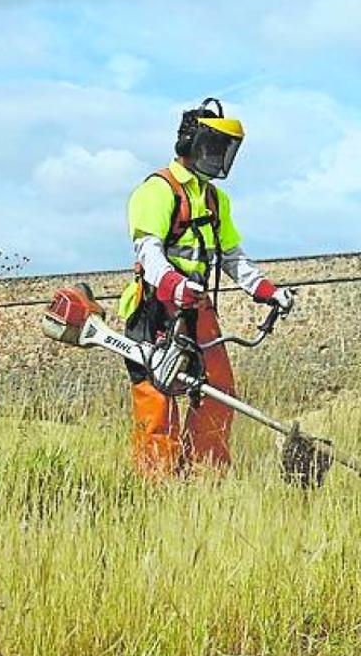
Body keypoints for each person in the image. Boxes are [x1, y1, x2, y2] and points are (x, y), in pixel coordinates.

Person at [117, 98, 294, 478]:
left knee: (218, 391)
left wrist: (267, 290)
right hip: (154, 312)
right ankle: (157, 484)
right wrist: (174, 285)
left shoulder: (216, 199)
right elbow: (148, 252)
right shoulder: (157, 190)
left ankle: (206, 479)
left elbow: (231, 256)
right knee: (158, 401)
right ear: (190, 143)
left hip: (198, 311)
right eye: (213, 148)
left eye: (223, 150)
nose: (218, 157)